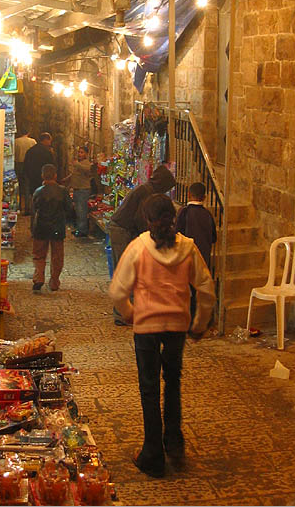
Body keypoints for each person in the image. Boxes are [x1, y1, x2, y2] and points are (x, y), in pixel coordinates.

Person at [109, 194, 215, 479]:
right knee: (173, 381)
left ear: (146, 219)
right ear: (173, 217)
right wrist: (200, 322)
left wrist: (130, 313)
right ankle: (175, 443)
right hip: (177, 325)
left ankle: (152, 454)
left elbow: (118, 290)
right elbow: (206, 288)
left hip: (146, 327)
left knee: (149, 388)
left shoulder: (138, 247)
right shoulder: (189, 248)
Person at [108, 164, 176, 324]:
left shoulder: (146, 189)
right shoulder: (147, 193)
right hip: (121, 230)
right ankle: (121, 314)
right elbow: (141, 219)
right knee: (126, 272)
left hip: (123, 229)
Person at [175, 182, 217, 322]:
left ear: (188, 194)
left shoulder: (184, 212)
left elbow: (177, 234)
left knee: (188, 291)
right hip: (204, 258)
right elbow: (213, 237)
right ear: (204, 197)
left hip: (187, 258)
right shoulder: (208, 215)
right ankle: (204, 320)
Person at [32, 163, 74, 293]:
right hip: (57, 226)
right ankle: (54, 281)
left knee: (39, 254)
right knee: (57, 255)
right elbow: (69, 209)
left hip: (41, 227)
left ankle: (39, 277)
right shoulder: (63, 191)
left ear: (42, 176)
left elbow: (33, 210)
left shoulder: (38, 192)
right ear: (55, 176)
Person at [62, 145, 95, 237]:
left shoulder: (86, 163)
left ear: (86, 154)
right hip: (77, 189)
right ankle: (79, 228)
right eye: (79, 152)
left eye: (82, 152)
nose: (80, 154)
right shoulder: (79, 163)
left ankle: (83, 230)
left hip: (83, 190)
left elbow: (87, 169)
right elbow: (74, 174)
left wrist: (76, 164)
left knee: (82, 211)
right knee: (78, 210)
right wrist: (66, 179)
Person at [23, 132, 56, 207]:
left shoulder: (31, 150)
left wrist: (28, 175)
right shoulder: (47, 152)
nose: (50, 143)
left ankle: (33, 214)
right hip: (44, 179)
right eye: (50, 140)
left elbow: (26, 164)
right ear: (45, 140)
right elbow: (51, 165)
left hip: (32, 178)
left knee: (34, 197)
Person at [14, 129, 36, 215]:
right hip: (29, 165)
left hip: (18, 164)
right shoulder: (32, 141)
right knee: (27, 185)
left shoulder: (16, 141)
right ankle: (27, 207)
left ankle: (18, 207)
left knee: (17, 186)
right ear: (29, 132)